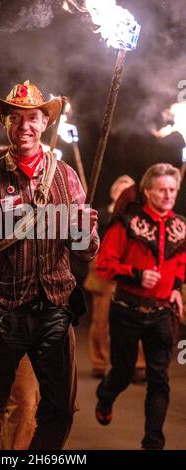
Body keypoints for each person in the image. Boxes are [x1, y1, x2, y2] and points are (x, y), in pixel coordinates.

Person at [0, 80, 99, 450]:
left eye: (32, 118)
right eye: (16, 118)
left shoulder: (67, 177)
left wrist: (85, 231)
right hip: (2, 312)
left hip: (55, 311)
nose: (24, 126)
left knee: (58, 411)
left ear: (45, 123)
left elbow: (86, 250)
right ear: (6, 124)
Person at [94, 163, 186, 450]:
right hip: (127, 310)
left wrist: (175, 290)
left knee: (159, 378)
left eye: (173, 189)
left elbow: (182, 264)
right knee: (122, 371)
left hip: (161, 313)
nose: (169, 195)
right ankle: (106, 394)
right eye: (162, 190)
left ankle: (153, 442)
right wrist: (136, 273)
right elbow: (103, 265)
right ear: (148, 191)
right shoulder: (126, 222)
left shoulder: (180, 225)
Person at [84, 175, 146, 381]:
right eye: (121, 190)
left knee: (135, 319)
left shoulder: (140, 218)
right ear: (114, 193)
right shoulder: (101, 215)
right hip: (103, 273)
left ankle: (137, 364)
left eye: (129, 191)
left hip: (130, 272)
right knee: (101, 322)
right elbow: (89, 244)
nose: (125, 194)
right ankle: (100, 363)